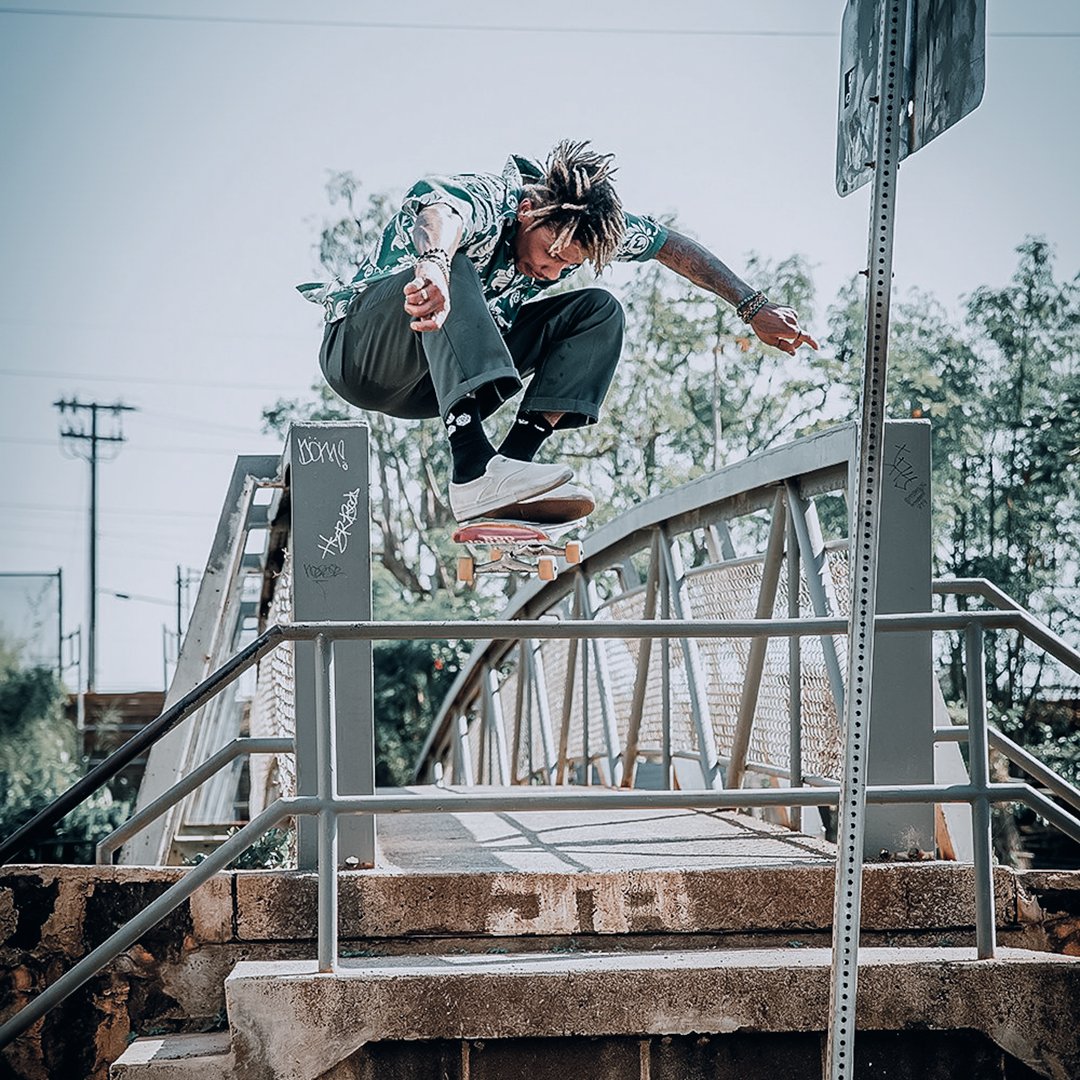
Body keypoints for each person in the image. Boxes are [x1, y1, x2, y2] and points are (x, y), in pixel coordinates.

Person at [299, 140, 818, 523]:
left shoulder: (581, 230)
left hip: (431, 381)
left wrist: (753, 305)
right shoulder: (495, 198)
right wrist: (433, 264)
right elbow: (441, 211)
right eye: (550, 253)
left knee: (598, 311)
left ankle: (507, 471)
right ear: (528, 212)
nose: (550, 272)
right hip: (363, 351)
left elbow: (670, 246)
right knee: (459, 270)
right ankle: (472, 465)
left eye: (565, 265)